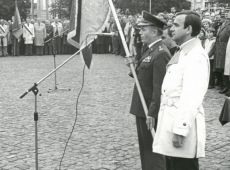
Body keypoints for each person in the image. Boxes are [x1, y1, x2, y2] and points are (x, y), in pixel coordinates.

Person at [152, 10, 210, 170]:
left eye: (176, 25)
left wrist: (180, 129)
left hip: (182, 128)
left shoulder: (196, 56)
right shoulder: (183, 51)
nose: (172, 29)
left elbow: (191, 96)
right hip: (171, 121)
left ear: (189, 29)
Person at [129, 11, 171, 170]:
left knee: (153, 150)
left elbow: (160, 87)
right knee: (146, 149)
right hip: (142, 107)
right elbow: (143, 75)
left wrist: (152, 113)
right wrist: (131, 66)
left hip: (149, 110)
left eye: (143, 29)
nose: (140, 32)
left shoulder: (160, 53)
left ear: (154, 31)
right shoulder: (149, 49)